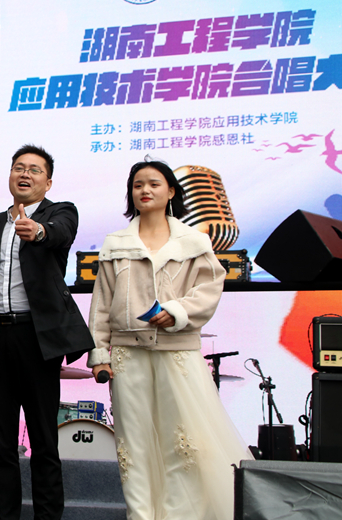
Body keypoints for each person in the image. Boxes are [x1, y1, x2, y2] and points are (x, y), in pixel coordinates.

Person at [87, 157, 252, 520]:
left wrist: (177, 311)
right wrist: (99, 354)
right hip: (127, 356)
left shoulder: (193, 241)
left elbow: (209, 288)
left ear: (172, 191)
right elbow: (102, 304)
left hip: (177, 353)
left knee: (184, 440)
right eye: (137, 185)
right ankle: (140, 514)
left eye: (154, 184)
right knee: (133, 444)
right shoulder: (115, 244)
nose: (144, 190)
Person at [0, 144, 94, 520]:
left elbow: (59, 234)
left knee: (44, 442)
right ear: (9, 176)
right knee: (0, 445)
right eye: (19, 167)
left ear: (47, 182)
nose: (25, 174)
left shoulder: (60, 212)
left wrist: (37, 231)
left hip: (37, 341)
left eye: (35, 170)